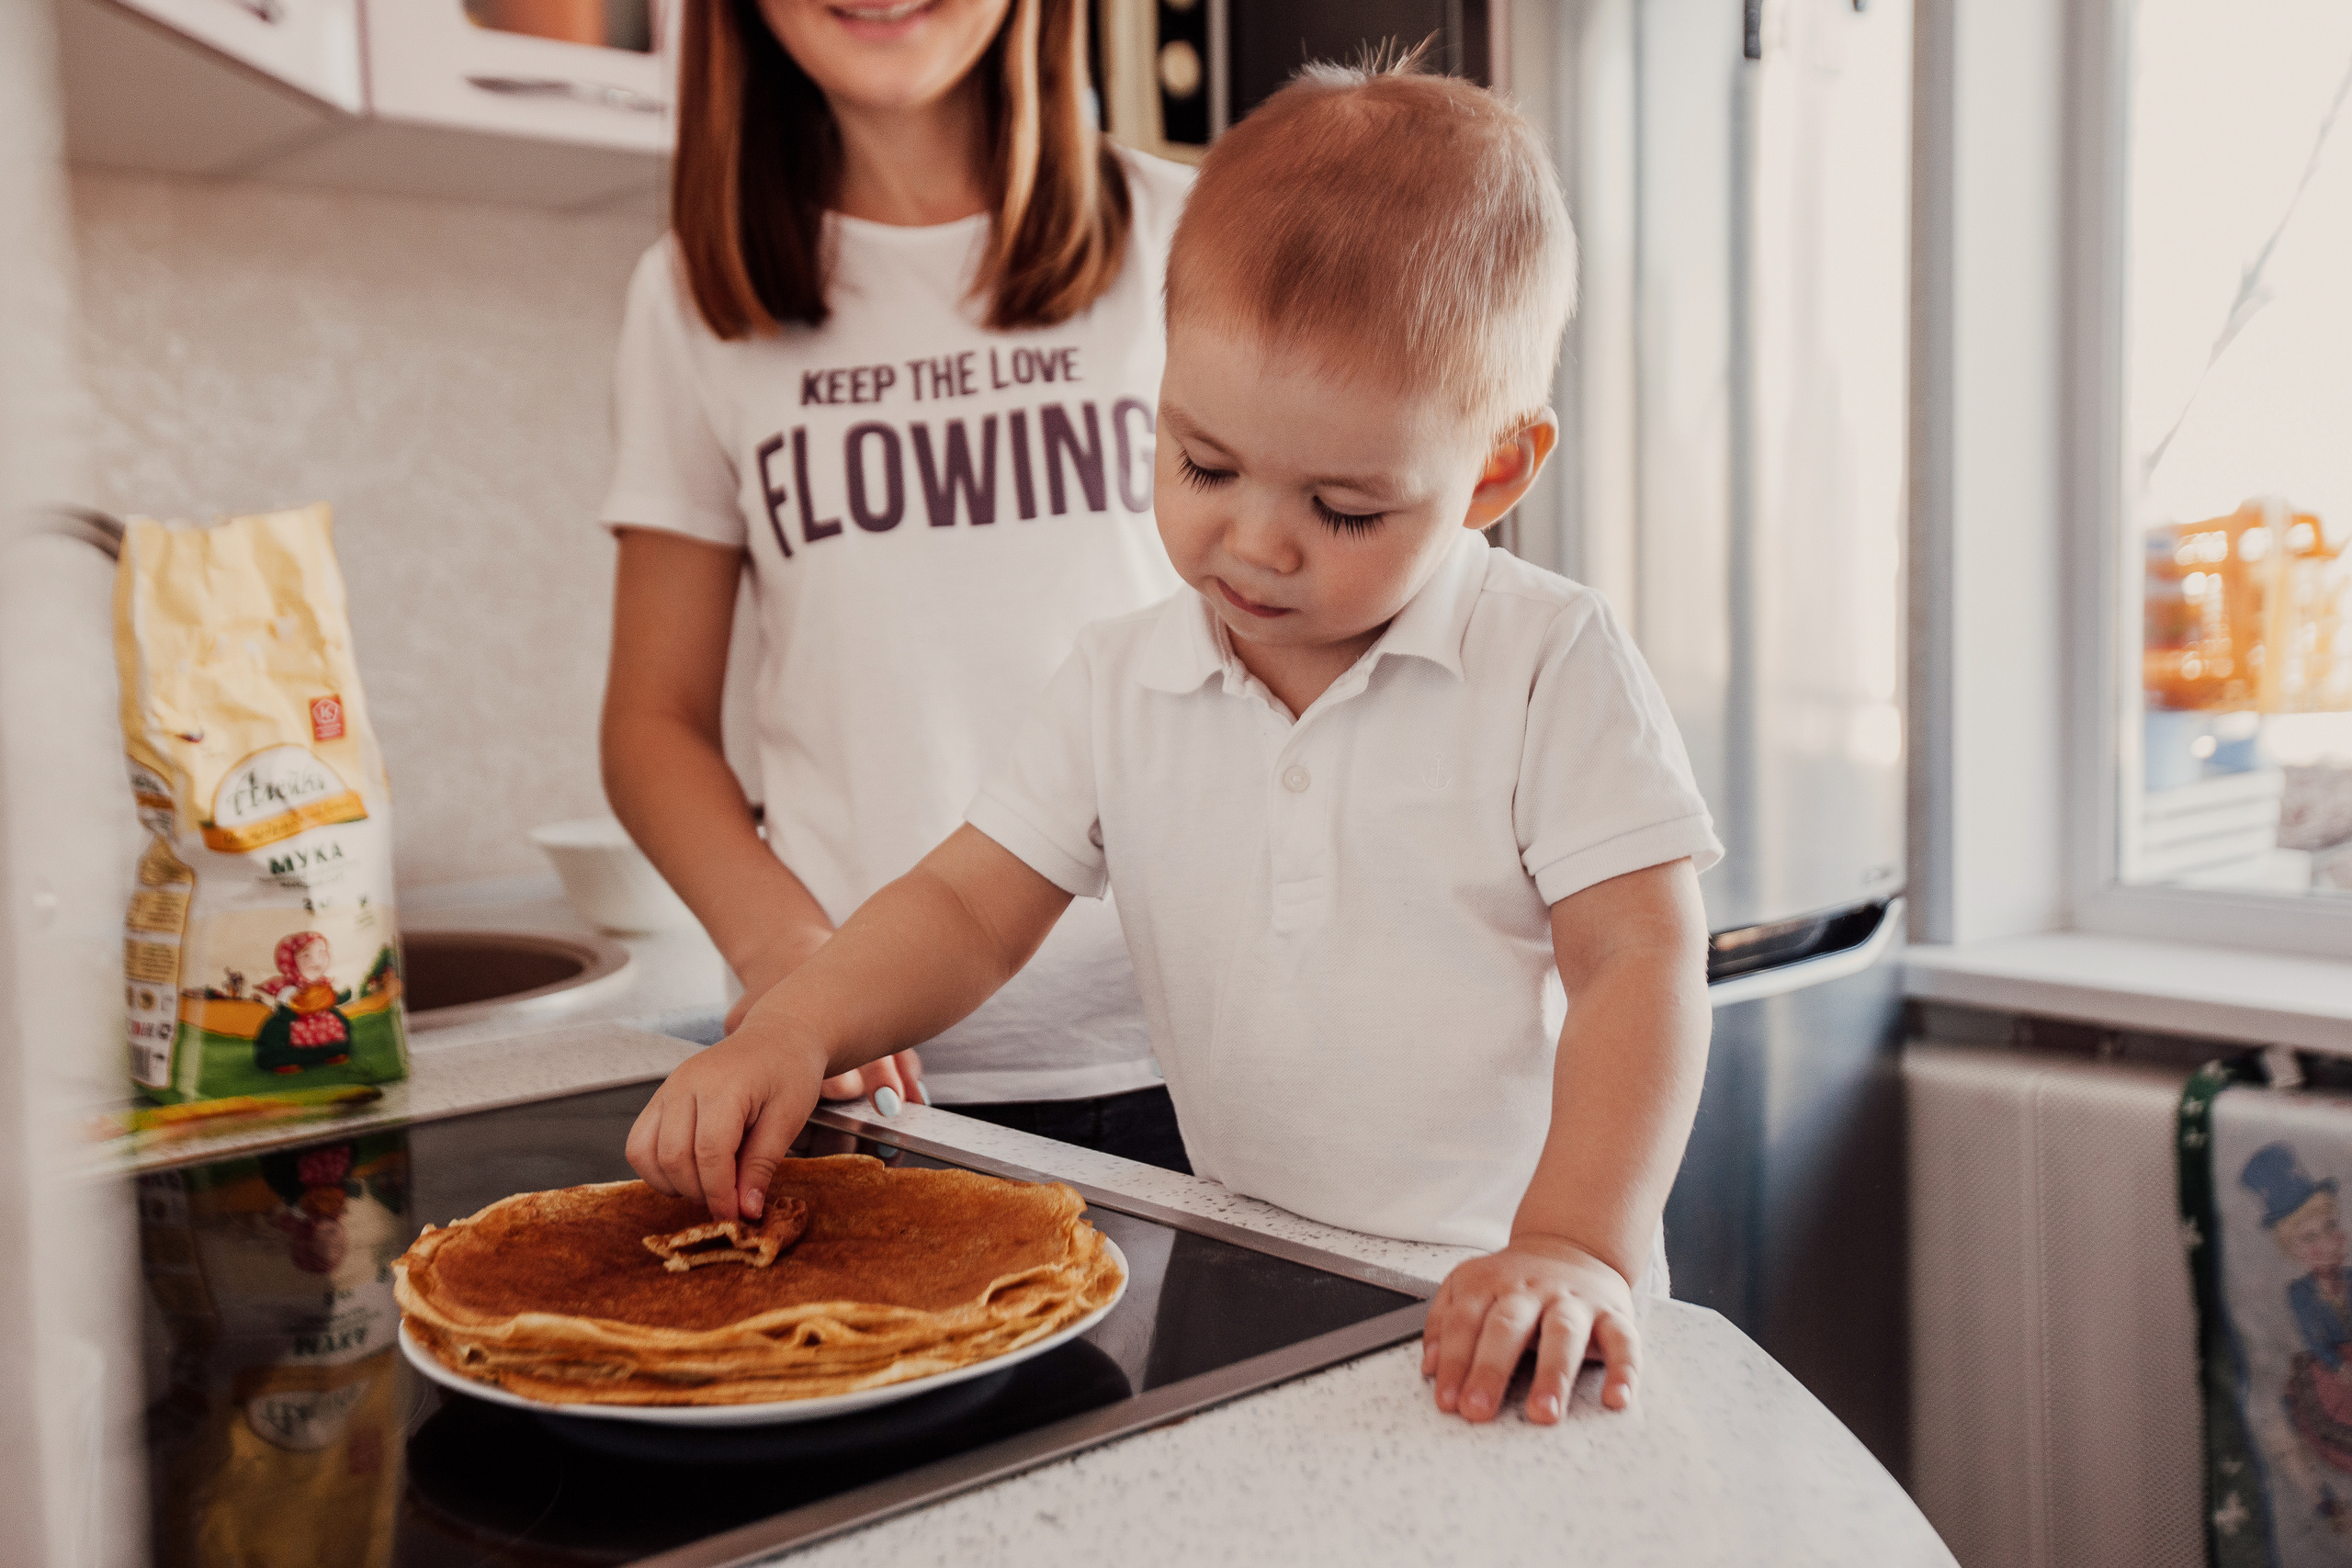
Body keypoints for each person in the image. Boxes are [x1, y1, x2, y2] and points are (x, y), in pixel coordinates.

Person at [625, 59, 1722, 1427]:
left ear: (1494, 468)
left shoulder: (1550, 661)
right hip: (1249, 1272)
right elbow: (969, 905)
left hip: (1516, 1315)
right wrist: (793, 1023)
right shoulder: (1121, 677)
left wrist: (1576, 1242)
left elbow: (1639, 957)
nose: (1253, 544)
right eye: (1204, 467)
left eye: (1344, 505)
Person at [598, 0, 1193, 1170]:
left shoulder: (1192, 236)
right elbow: (651, 724)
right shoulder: (686, 298)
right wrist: (794, 965)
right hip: (859, 1080)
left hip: (1196, 1049)